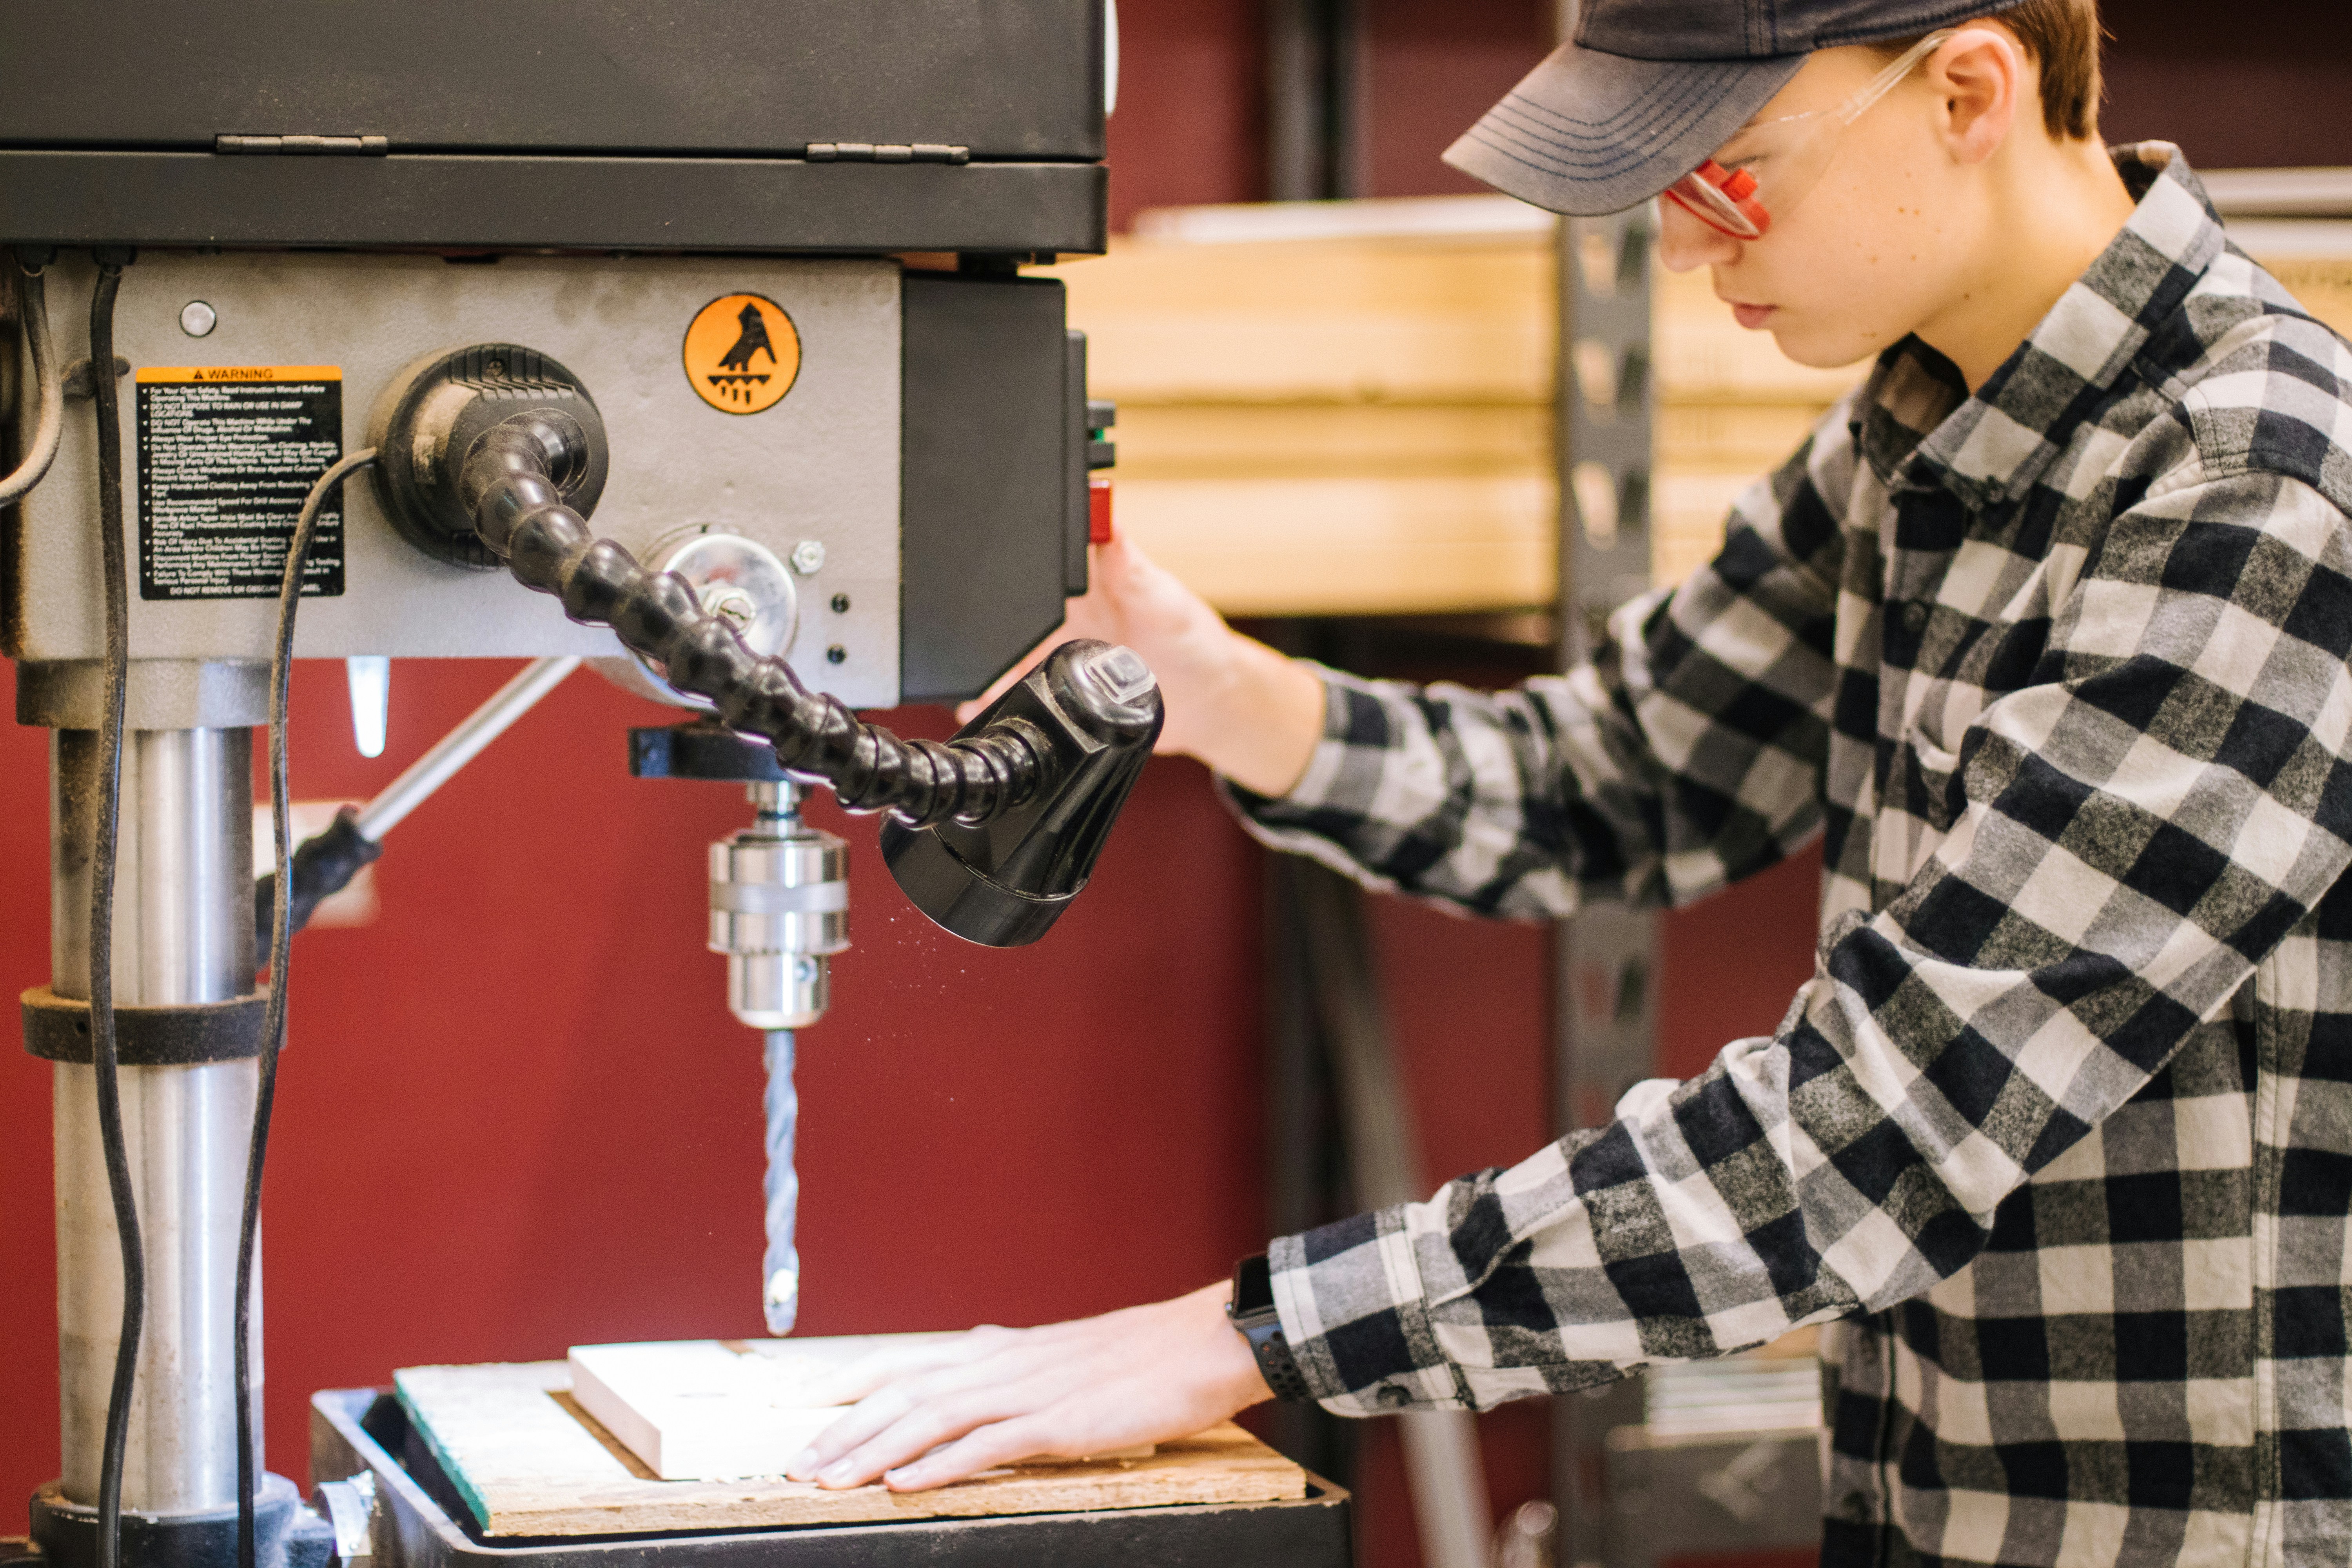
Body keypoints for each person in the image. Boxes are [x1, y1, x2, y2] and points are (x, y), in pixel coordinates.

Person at [788, 0, 2352, 1559]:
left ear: (1966, 90)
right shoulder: (1927, 418)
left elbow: (1870, 1128)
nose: (1686, 252)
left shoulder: (2252, 490)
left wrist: (1249, 1333)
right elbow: (1616, 777)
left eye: (1725, 178)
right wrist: (1228, 695)